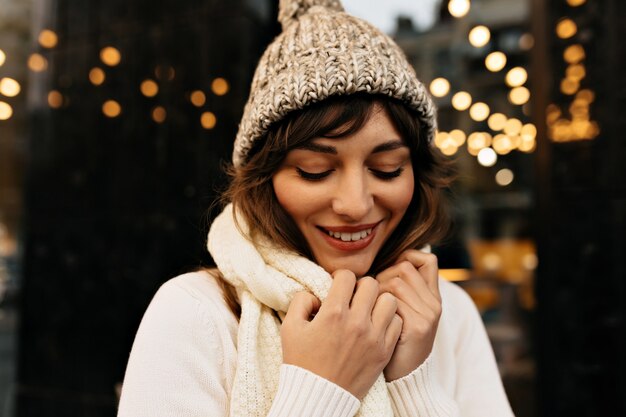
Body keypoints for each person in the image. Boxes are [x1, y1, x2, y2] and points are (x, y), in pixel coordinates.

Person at [117, 0, 515, 416]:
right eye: (314, 170)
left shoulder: (446, 312)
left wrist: (415, 386)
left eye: (387, 169)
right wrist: (320, 391)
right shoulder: (195, 314)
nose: (355, 204)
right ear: (264, 179)